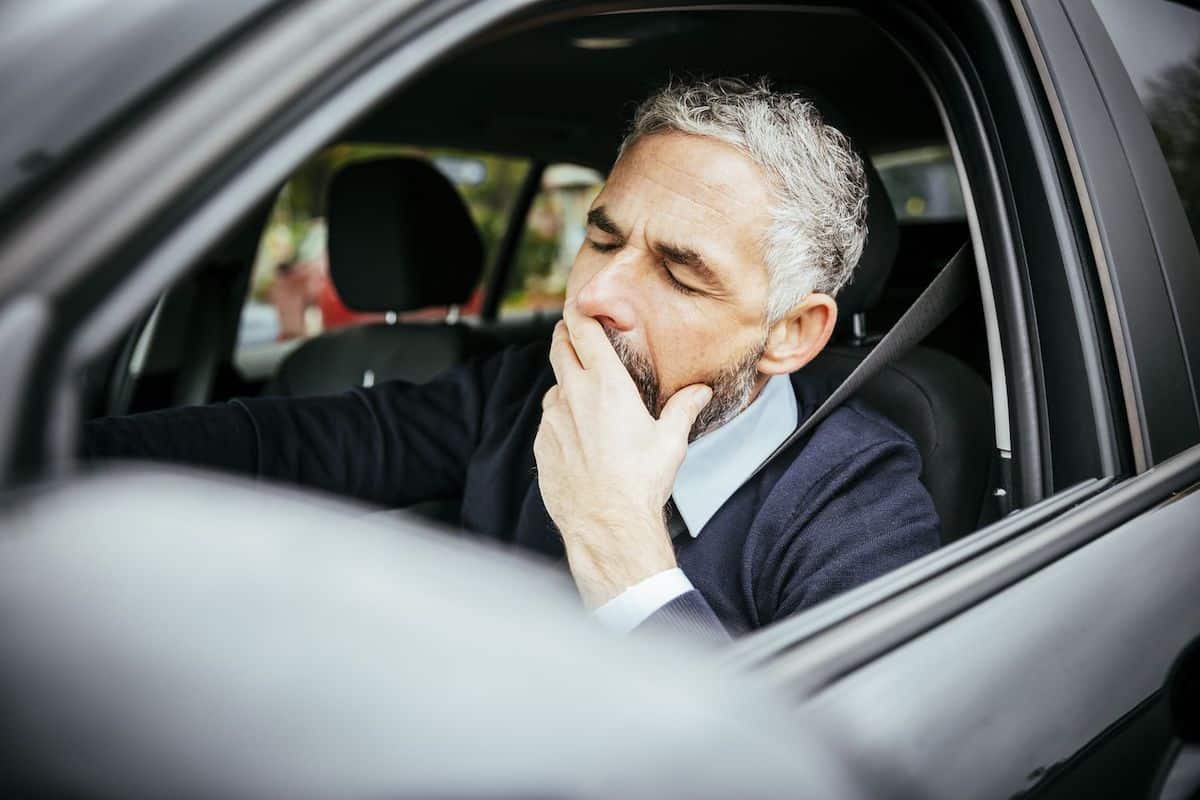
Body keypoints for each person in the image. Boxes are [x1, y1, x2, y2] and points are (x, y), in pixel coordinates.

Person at [84, 78, 940, 640]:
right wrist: (52, 461)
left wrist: (618, 542)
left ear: (790, 332)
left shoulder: (856, 505)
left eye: (681, 275)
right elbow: (291, 447)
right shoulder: (522, 392)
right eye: (600, 239)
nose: (597, 293)